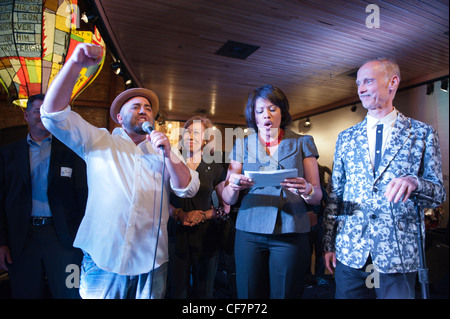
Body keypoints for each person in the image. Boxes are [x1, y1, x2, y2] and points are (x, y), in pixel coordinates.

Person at [39, 43, 200, 299]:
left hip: (152, 261)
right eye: (135, 106)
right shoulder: (99, 140)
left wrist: (168, 153)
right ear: (119, 117)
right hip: (104, 258)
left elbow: (187, 187)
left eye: (148, 108)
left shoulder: (163, 149)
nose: (143, 110)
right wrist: (75, 64)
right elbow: (52, 115)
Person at [323, 58, 446, 299]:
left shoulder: (422, 133)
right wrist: (328, 244)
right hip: (351, 253)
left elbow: (438, 194)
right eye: (358, 83)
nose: (360, 88)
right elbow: (335, 194)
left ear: (393, 82)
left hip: (399, 256)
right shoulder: (346, 138)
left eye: (368, 81)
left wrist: (415, 183)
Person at [221, 84, 322, 299]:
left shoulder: (302, 141)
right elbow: (228, 197)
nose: (266, 115)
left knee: (285, 294)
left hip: (290, 229)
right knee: (248, 295)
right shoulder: (243, 144)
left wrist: (307, 189)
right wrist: (233, 186)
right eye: (260, 111)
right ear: (253, 117)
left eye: (273, 108)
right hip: (249, 229)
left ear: (282, 112)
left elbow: (317, 196)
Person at [0, 94, 88, 298]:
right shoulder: (7, 154)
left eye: (48, 112)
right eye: (38, 111)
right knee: (25, 294)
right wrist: (2, 242)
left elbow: (83, 197)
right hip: (21, 239)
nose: (43, 115)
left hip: (65, 239)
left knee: (71, 292)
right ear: (26, 115)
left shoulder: (72, 152)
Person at [167, 116, 228, 299]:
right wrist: (178, 213)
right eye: (187, 132)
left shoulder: (215, 165)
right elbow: (159, 197)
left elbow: (225, 207)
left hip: (206, 236)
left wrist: (203, 216)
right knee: (177, 291)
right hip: (175, 233)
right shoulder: (171, 158)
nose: (190, 136)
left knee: (204, 292)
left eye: (196, 133)